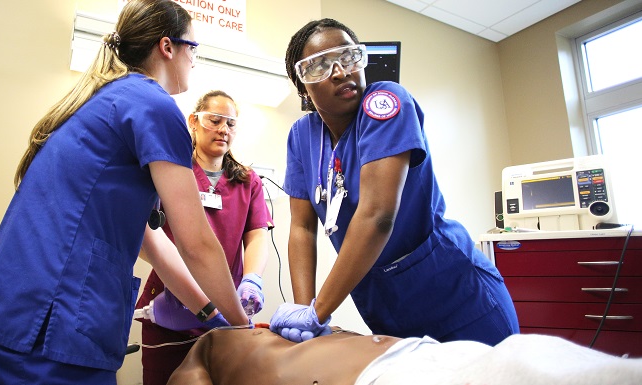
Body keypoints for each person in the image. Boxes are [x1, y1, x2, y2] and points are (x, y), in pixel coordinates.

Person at [0, 1, 249, 383]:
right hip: (47, 324)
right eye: (192, 49)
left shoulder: (104, 100)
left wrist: (212, 315)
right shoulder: (153, 104)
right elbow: (196, 242)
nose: (194, 59)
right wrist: (244, 331)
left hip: (16, 309)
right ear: (168, 47)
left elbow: (152, 241)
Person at [269, 18, 520, 345]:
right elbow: (302, 228)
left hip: (458, 296)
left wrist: (317, 314)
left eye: (348, 57)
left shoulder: (385, 103)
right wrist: (303, 316)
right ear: (302, 85)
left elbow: (377, 215)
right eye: (319, 66)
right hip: (389, 307)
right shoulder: (301, 136)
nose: (341, 71)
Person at [134, 90, 274, 385]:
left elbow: (257, 234)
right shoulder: (170, 171)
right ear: (193, 122)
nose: (224, 129)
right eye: (215, 120)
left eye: (231, 124)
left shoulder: (249, 182)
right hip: (170, 304)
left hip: (227, 303)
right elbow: (145, 236)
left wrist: (252, 279)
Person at [167, 327, 642, 385]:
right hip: (386, 378)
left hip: (429, 352)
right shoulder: (204, 350)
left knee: (535, 354)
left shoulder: (289, 330)